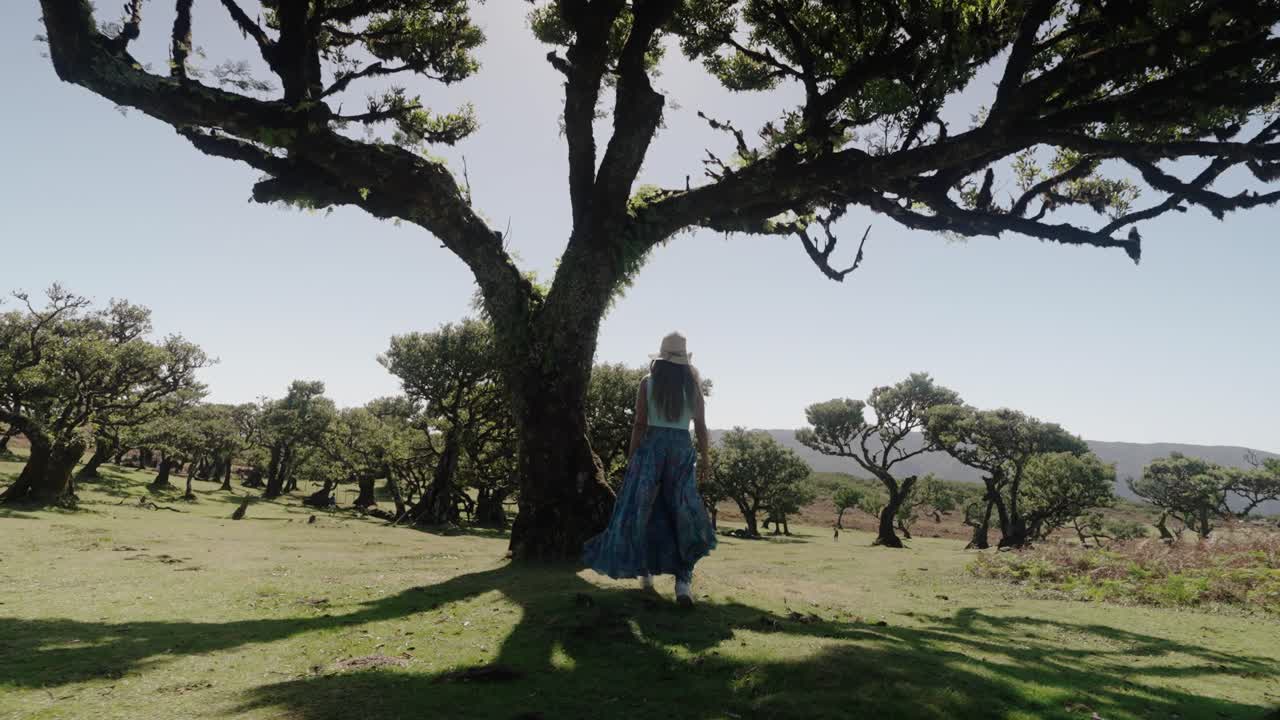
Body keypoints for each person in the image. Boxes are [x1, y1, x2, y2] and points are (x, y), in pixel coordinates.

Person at [583, 332, 717, 607]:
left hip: (652, 449)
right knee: (681, 511)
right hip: (680, 450)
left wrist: (633, 458)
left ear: (661, 357)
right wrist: (705, 459)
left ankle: (645, 573)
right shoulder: (693, 386)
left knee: (642, 509)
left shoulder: (648, 383)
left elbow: (639, 425)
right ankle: (683, 583)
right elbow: (701, 426)